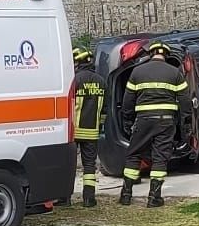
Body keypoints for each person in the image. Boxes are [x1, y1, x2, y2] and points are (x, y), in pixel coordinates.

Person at [119, 41, 186, 208]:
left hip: (143, 120)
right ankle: (154, 197)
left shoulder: (137, 71)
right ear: (166, 55)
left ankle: (126, 194)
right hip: (166, 122)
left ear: (150, 53)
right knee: (160, 157)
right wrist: (186, 122)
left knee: (134, 154)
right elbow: (185, 101)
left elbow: (127, 101)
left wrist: (127, 120)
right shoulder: (175, 73)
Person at [70, 47, 105, 208]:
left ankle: (65, 198)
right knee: (89, 165)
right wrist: (100, 124)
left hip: (74, 131)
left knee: (69, 165)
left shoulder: (74, 80)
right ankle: (89, 198)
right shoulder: (101, 81)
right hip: (92, 131)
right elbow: (105, 109)